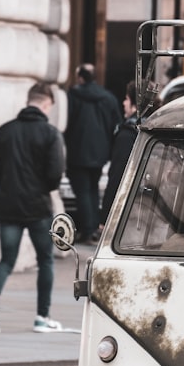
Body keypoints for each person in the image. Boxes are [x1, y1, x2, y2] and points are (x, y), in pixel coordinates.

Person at [0, 82, 66, 335]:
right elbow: (54, 176)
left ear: (29, 100)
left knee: (6, 260)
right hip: (38, 207)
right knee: (45, 260)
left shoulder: (5, 131)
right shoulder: (50, 133)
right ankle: (42, 317)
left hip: (9, 206)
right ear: (46, 104)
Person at [64, 63, 120, 244]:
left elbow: (65, 123)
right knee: (93, 190)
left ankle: (88, 230)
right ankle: (93, 227)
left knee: (82, 192)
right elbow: (115, 124)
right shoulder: (108, 98)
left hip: (77, 151)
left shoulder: (72, 96)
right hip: (99, 153)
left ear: (80, 77)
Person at [98, 80, 140, 237]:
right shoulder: (155, 128)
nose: (124, 103)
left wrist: (106, 216)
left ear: (134, 104)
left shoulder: (127, 134)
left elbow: (117, 176)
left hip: (128, 210)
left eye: (127, 99)